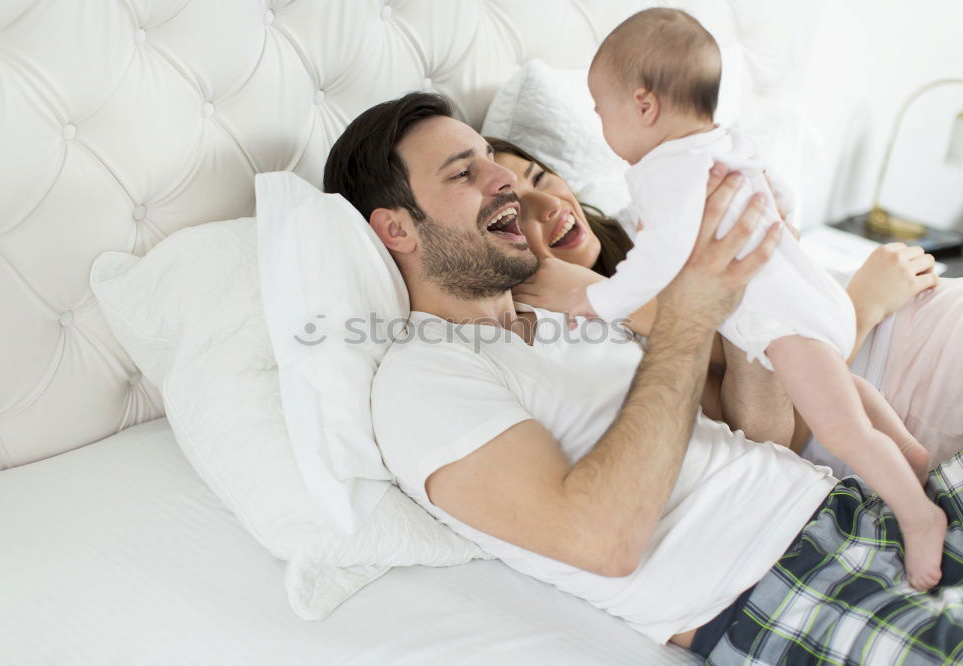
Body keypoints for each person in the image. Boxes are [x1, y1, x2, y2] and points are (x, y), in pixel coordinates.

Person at [322, 91, 963, 663]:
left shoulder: (574, 313)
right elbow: (601, 542)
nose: (504, 181)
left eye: (490, 157)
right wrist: (687, 314)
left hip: (855, 508)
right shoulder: (422, 378)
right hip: (785, 586)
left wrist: (738, 296)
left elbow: (762, 432)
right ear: (396, 228)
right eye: (465, 172)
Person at [539, 9, 946, 590]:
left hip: (781, 317)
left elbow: (658, 256)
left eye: (601, 111)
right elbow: (775, 191)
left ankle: (918, 514)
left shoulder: (665, 172)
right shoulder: (723, 144)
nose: (601, 127)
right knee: (849, 394)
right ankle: (909, 457)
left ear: (644, 106)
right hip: (813, 297)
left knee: (841, 428)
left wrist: (600, 300)